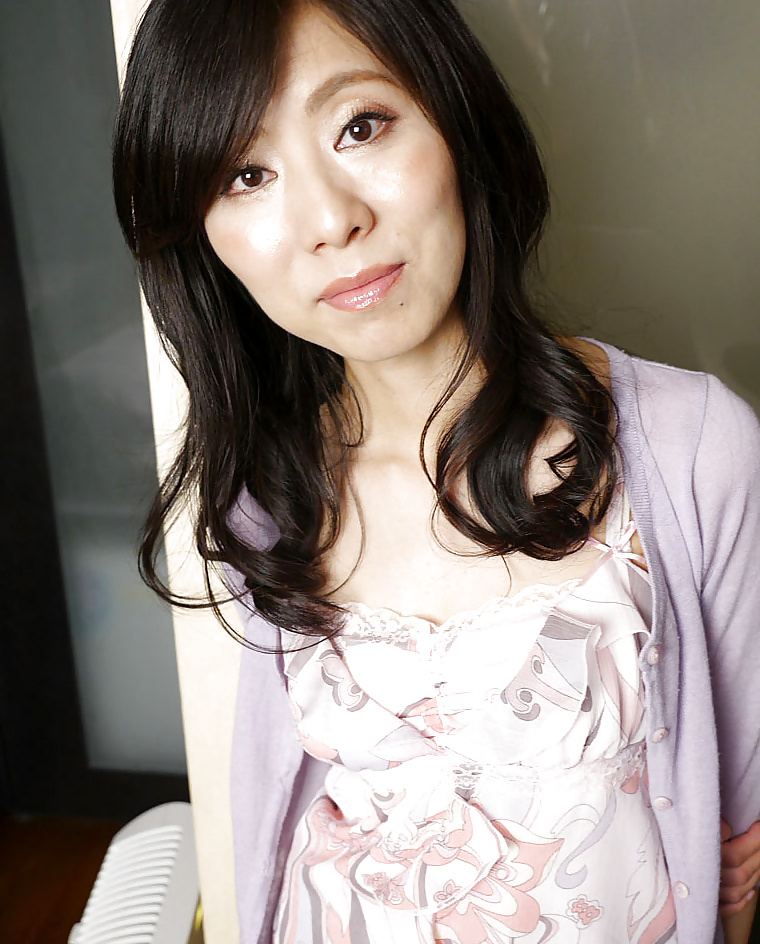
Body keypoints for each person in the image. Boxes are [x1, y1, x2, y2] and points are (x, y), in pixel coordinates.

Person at [112, 0, 760, 941]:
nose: (331, 220)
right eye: (246, 175)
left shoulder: (691, 449)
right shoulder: (268, 498)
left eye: (361, 125)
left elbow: (735, 841)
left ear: (454, 117)